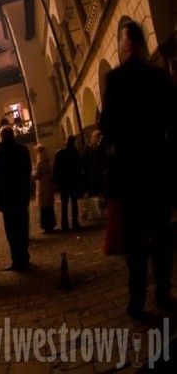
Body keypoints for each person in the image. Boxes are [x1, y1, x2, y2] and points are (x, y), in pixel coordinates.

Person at [99, 20, 176, 319]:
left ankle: (137, 299)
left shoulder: (116, 79)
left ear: (127, 43)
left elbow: (107, 127)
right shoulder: (158, 76)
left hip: (129, 168)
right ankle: (164, 290)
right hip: (157, 164)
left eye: (121, 40)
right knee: (161, 233)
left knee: (135, 238)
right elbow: (173, 117)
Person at [0, 125, 32, 271]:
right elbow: (28, 171)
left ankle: (16, 259)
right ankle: (24, 256)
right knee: (22, 227)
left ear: (2, 137)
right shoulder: (23, 150)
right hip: (21, 195)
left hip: (8, 198)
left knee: (12, 229)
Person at [53, 135, 82, 231]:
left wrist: (56, 181)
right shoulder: (75, 153)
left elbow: (56, 169)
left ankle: (64, 224)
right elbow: (79, 167)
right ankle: (75, 222)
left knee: (64, 204)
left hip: (64, 182)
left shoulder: (60, 153)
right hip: (73, 181)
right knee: (74, 203)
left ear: (66, 142)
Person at [32, 144, 56, 234]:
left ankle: (46, 226)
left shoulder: (40, 162)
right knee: (49, 206)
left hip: (42, 185)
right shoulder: (46, 160)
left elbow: (37, 175)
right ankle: (51, 224)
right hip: (48, 184)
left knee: (44, 207)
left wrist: (33, 172)